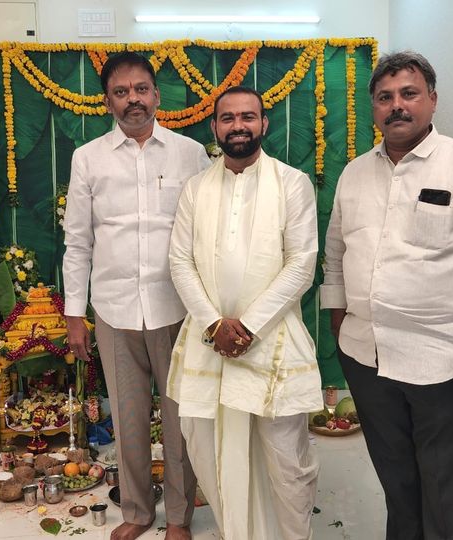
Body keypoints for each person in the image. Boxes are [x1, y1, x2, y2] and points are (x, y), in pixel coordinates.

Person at [320, 51, 453, 540]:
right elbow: (335, 254)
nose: (397, 105)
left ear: (432, 99)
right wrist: (340, 324)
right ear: (373, 107)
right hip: (366, 358)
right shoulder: (354, 174)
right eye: (385, 97)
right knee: (396, 481)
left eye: (408, 94)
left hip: (443, 364)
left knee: (444, 486)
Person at [62, 51, 211, 540]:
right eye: (121, 92)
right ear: (107, 101)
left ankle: (179, 517)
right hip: (114, 309)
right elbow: (78, 241)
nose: (133, 100)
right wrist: (74, 314)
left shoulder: (190, 153)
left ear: (156, 95)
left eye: (141, 89)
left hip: (176, 308)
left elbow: (205, 232)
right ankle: (138, 511)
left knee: (180, 419)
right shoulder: (88, 158)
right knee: (128, 419)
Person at [167, 86, 323, 540]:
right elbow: (180, 261)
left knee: (286, 461)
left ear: (263, 124)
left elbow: (302, 264)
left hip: (272, 340)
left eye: (248, 117)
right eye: (229, 118)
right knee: (209, 451)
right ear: (215, 127)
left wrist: (248, 326)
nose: (238, 126)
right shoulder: (195, 188)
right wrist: (214, 323)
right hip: (208, 342)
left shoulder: (292, 183)